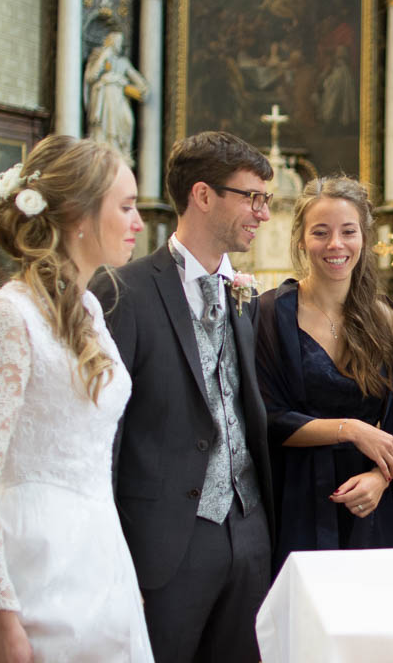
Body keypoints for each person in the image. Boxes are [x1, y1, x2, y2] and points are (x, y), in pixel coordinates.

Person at [0, 135, 151, 661]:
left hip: (97, 554)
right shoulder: (10, 315)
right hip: (29, 563)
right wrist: (0, 615)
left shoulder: (87, 308)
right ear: (77, 216)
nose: (138, 222)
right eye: (126, 207)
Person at [90, 131, 276, 662]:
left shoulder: (245, 293)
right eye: (252, 198)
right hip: (165, 539)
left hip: (249, 529)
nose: (262, 213)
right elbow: (107, 429)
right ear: (203, 195)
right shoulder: (124, 290)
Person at [255, 178, 393, 574]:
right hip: (295, 497)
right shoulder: (269, 314)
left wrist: (380, 478)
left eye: (348, 231)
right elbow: (266, 417)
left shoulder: (386, 317)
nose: (335, 244)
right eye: (321, 232)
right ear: (302, 240)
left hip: (369, 500)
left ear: (364, 238)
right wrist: (351, 429)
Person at [83, 31, 149, 165]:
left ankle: (120, 154)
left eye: (120, 42)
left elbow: (139, 81)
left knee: (127, 121)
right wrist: (103, 57)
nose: (118, 45)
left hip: (118, 98)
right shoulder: (98, 57)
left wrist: (138, 87)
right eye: (116, 41)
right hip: (104, 97)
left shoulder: (123, 62)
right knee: (104, 131)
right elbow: (91, 77)